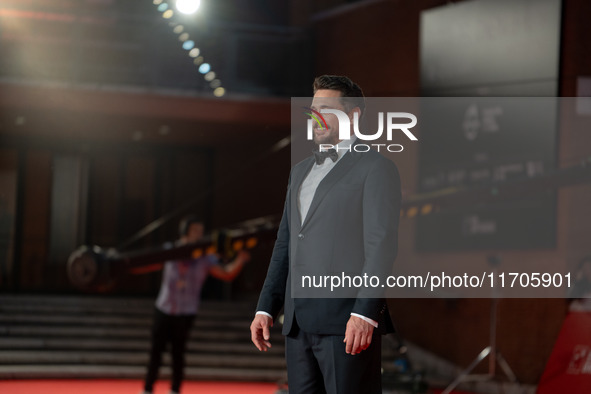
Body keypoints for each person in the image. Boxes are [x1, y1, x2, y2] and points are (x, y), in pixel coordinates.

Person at [250, 75, 401, 394]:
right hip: (297, 324)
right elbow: (286, 243)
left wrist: (364, 312)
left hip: (347, 325)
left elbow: (381, 246)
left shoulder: (376, 168)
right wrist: (266, 306)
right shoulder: (300, 170)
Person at [141, 215, 250, 394]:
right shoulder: (170, 250)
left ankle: (175, 390)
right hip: (165, 307)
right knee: (156, 351)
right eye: (194, 231)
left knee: (178, 353)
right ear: (185, 232)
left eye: (200, 231)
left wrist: (240, 260)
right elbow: (148, 265)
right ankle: (147, 388)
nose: (198, 235)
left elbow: (226, 274)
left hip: (186, 311)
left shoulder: (205, 258)